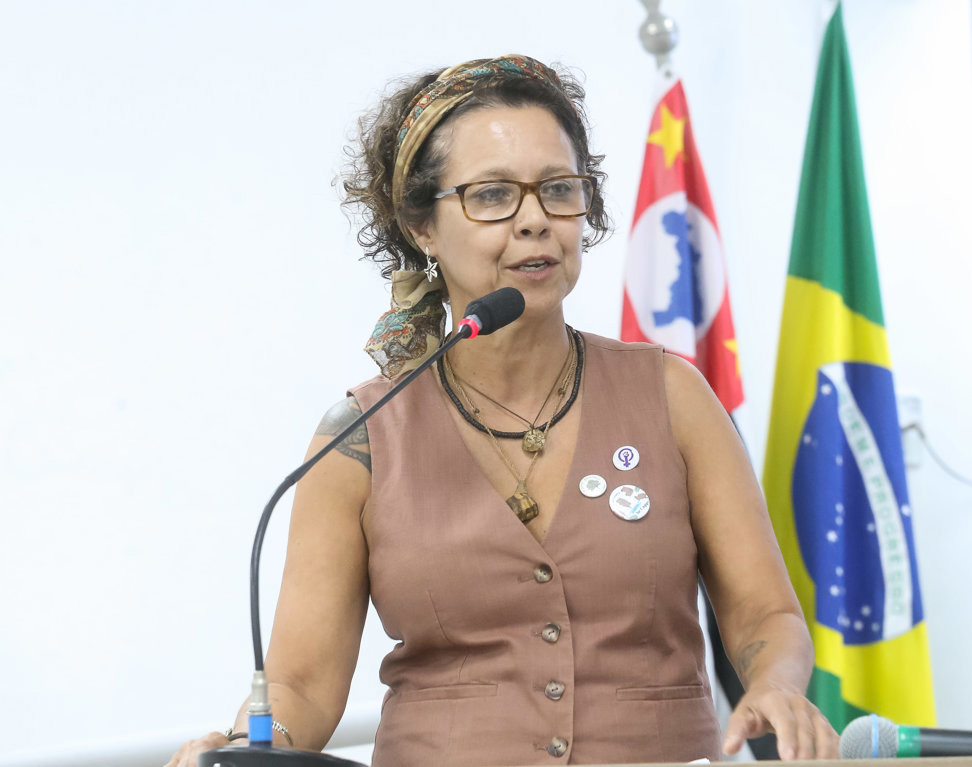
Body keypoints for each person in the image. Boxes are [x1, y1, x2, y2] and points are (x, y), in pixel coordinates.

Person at [167, 54, 838, 767]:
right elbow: (300, 682)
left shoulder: (673, 394)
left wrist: (775, 683)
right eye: (491, 196)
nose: (534, 222)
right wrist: (245, 747)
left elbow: (766, 613)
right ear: (422, 226)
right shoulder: (359, 435)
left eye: (558, 190)